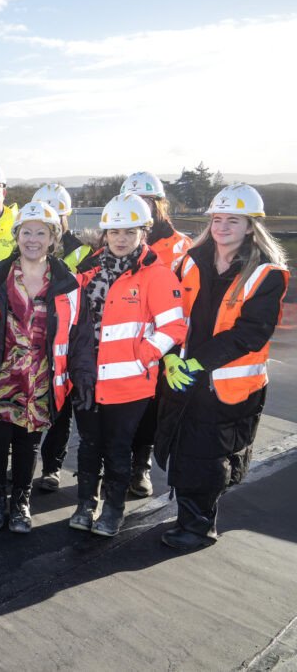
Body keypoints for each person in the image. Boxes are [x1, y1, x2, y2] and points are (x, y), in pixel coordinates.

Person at [154, 184, 288, 550]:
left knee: (208, 456)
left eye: (234, 220)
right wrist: (168, 355)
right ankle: (188, 517)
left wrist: (198, 362)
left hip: (225, 387)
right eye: (217, 219)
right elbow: (171, 313)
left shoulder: (265, 274)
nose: (223, 226)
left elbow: (250, 334)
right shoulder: (190, 261)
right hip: (183, 376)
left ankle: (198, 528)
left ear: (250, 227)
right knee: (181, 448)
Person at [0, 201, 95, 532]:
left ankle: (20, 502)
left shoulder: (69, 286)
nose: (32, 239)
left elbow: (82, 336)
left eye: (40, 232)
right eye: (26, 232)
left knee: (28, 446)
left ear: (53, 237)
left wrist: (84, 375)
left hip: (40, 382)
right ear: (16, 236)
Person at [69, 194, 187, 537]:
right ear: (105, 233)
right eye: (114, 231)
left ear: (143, 232)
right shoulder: (88, 272)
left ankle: (113, 511)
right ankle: (85, 505)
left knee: (118, 449)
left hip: (129, 384)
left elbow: (174, 327)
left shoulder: (157, 276)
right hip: (87, 378)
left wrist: (143, 356)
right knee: (89, 446)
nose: (121, 238)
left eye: (129, 231)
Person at [120, 170, 194, 497]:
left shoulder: (182, 247)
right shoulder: (119, 237)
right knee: (121, 405)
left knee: (152, 407)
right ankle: (116, 463)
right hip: (123, 338)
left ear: (160, 203)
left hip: (164, 343)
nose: (143, 206)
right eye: (135, 201)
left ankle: (140, 467)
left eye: (148, 200)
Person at [30, 182, 91, 492]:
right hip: (32, 338)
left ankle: (51, 467)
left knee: (60, 408)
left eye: (57, 216)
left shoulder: (84, 253)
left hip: (65, 342)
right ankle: (24, 463)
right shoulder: (29, 246)